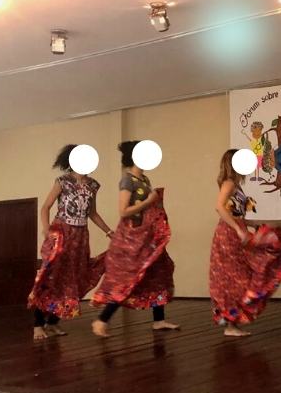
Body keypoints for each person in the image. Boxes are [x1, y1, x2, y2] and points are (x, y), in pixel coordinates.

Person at [91, 141, 179, 337]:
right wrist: (149, 201)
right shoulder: (127, 180)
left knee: (159, 271)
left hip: (147, 237)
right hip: (131, 238)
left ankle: (159, 320)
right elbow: (123, 211)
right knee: (126, 278)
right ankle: (101, 320)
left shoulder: (145, 180)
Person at [28, 144, 113, 340]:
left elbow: (92, 213)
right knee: (51, 278)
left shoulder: (93, 185)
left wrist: (109, 231)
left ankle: (53, 322)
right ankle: (38, 324)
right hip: (61, 233)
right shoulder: (62, 181)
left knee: (71, 279)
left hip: (81, 236)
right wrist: (46, 228)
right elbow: (45, 207)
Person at [209, 149, 281, 337]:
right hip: (228, 235)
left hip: (237, 232)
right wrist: (237, 229)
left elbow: (236, 214)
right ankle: (230, 325)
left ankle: (233, 322)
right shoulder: (229, 184)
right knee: (232, 277)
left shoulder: (236, 186)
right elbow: (219, 207)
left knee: (241, 276)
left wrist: (253, 224)